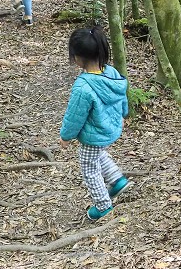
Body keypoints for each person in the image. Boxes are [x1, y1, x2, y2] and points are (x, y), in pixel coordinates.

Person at [59, 27, 130, 220]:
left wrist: (66, 136)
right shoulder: (112, 73)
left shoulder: (83, 87)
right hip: (111, 128)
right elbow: (122, 96)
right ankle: (117, 180)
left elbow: (75, 116)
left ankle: (103, 205)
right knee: (97, 155)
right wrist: (124, 113)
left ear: (77, 58)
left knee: (89, 167)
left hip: (95, 135)